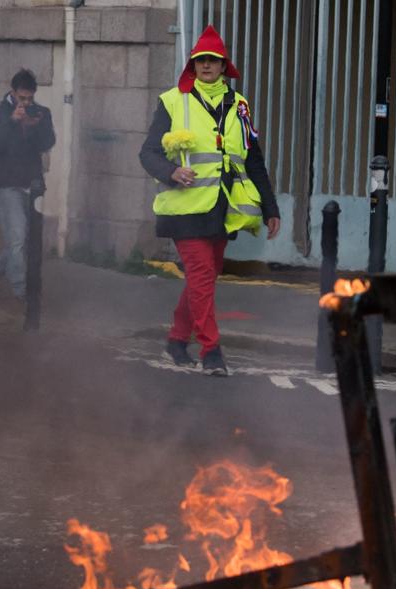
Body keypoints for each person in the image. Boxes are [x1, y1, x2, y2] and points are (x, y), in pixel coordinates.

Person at [139, 26, 280, 377]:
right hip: (185, 209)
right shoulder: (173, 101)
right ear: (192, 65)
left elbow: (253, 160)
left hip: (222, 209)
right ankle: (211, 349)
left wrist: (270, 207)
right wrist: (172, 172)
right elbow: (148, 153)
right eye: (200, 59)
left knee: (205, 278)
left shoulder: (239, 105)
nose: (206, 65)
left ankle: (175, 340)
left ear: (223, 66)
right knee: (202, 275)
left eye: (212, 60)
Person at [0, 69, 56, 301]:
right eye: (22, 98)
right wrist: (13, 122)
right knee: (16, 238)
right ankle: (21, 290)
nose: (26, 102)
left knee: (26, 242)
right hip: (7, 184)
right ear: (13, 93)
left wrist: (33, 125)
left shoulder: (42, 112)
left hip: (33, 184)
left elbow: (48, 142)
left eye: (29, 98)